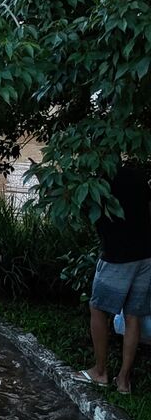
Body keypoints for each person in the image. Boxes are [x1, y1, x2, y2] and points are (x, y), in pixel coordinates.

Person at [76, 163, 151, 394]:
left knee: (97, 308)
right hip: (146, 255)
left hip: (118, 256)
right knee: (133, 315)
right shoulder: (137, 174)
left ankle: (100, 372)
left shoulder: (98, 180)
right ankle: (124, 381)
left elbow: (84, 214)